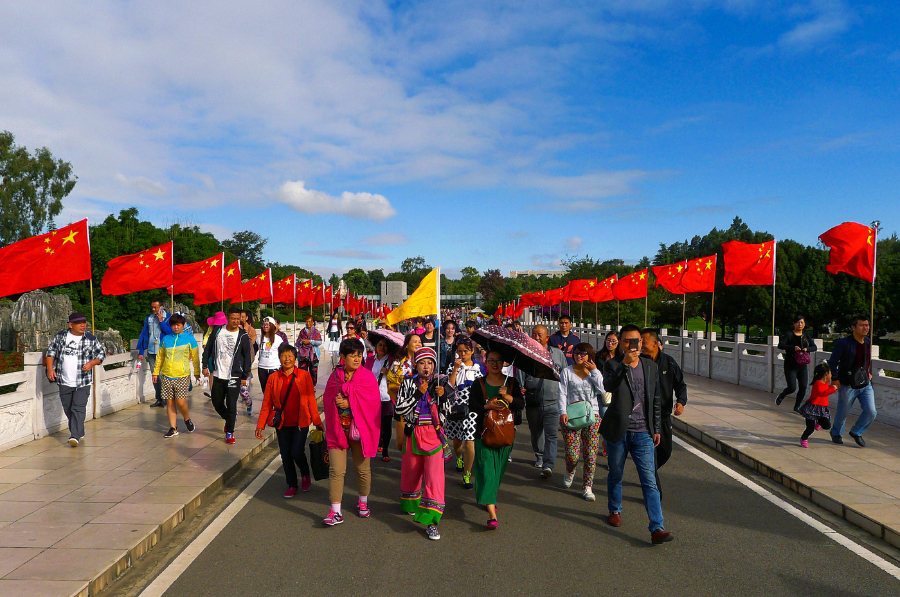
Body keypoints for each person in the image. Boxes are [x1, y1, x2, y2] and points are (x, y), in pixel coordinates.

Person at [601, 324, 671, 544]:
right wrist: (624, 364)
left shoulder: (650, 366)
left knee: (649, 480)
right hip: (619, 430)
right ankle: (614, 509)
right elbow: (609, 386)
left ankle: (657, 527)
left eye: (636, 340)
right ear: (621, 343)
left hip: (643, 432)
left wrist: (656, 428)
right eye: (627, 341)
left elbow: (656, 399)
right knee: (616, 473)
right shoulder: (612, 364)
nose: (632, 345)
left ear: (641, 342)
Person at [395, 347, 454, 541]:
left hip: (434, 436)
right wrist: (417, 394)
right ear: (415, 365)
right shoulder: (407, 382)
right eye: (422, 363)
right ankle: (411, 504)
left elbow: (449, 411)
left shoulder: (442, 382)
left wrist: (443, 396)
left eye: (429, 363)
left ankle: (432, 522)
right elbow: (399, 409)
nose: (426, 366)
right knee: (411, 473)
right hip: (413, 433)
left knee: (434, 480)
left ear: (434, 365)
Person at [321, 339, 382, 526]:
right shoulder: (335, 376)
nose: (357, 359)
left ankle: (363, 501)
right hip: (337, 430)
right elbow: (327, 399)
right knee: (336, 470)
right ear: (343, 357)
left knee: (362, 470)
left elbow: (373, 404)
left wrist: (350, 402)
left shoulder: (367, 377)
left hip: (360, 432)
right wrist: (336, 401)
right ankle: (335, 511)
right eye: (352, 355)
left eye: (359, 355)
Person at [256, 344, 323, 497]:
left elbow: (311, 400)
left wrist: (317, 421)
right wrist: (260, 425)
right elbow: (267, 403)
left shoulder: (304, 376)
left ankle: (305, 473)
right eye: (283, 356)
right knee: (285, 455)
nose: (287, 359)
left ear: (295, 358)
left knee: (296, 452)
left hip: (301, 422)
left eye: (290, 356)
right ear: (279, 358)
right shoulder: (273, 378)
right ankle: (292, 484)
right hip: (282, 423)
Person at [468, 349, 524, 530]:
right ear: (485, 362)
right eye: (491, 360)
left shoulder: (512, 382)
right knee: (487, 470)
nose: (495, 363)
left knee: (498, 471)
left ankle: (488, 496)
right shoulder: (479, 383)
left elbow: (521, 403)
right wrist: (487, 406)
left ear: (504, 363)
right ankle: (492, 514)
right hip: (483, 433)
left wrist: (508, 397)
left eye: (498, 360)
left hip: (505, 434)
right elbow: (472, 405)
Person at [44, 312, 106, 447]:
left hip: (83, 381)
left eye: (84, 322)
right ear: (71, 325)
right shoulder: (61, 336)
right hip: (64, 379)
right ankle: (79, 430)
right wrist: (50, 369)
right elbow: (51, 352)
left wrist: (91, 363)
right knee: (68, 408)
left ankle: (75, 435)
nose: (83, 325)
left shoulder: (91, 339)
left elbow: (101, 354)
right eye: (79, 323)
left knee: (78, 407)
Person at [641, 329, 687, 497]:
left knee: (665, 452)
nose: (640, 344)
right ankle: (654, 492)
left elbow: (680, 385)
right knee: (650, 456)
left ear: (655, 343)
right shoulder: (639, 362)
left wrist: (681, 402)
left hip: (664, 416)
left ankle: (648, 473)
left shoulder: (669, 362)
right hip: (644, 418)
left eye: (643, 341)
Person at [517, 325, 567, 478]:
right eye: (534, 334)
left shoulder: (557, 354)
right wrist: (521, 389)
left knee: (552, 435)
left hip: (554, 401)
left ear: (547, 337)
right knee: (536, 433)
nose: (536, 337)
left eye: (539, 334)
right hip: (534, 401)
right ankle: (540, 456)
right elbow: (520, 377)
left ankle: (548, 465)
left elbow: (565, 375)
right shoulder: (526, 354)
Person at [558, 342, 605, 501]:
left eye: (583, 353)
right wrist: (563, 412)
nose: (579, 355)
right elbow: (562, 393)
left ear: (589, 355)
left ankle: (587, 486)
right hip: (571, 415)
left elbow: (602, 390)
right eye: (576, 353)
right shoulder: (567, 371)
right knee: (572, 455)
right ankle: (570, 470)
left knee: (590, 455)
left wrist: (594, 371)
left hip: (592, 416)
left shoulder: (594, 372)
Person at [202, 307, 253, 444]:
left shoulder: (242, 336)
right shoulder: (218, 331)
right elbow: (208, 348)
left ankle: (230, 431)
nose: (236, 321)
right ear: (227, 318)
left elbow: (247, 357)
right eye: (233, 318)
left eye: (238, 318)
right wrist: (204, 364)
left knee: (231, 404)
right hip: (218, 374)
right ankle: (229, 419)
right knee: (216, 402)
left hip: (234, 375)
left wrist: (245, 376)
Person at [829, 315, 876, 447]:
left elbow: (866, 360)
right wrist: (835, 378)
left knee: (871, 411)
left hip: (864, 383)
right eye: (862, 325)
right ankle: (836, 432)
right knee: (843, 411)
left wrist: (867, 371)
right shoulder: (844, 343)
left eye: (867, 325)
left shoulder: (867, 342)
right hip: (847, 383)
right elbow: (833, 362)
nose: (865, 328)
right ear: (853, 327)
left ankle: (856, 432)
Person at [152, 314, 200, 438]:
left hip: (182, 375)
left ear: (183, 325)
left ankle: (187, 418)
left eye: (178, 325)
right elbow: (160, 357)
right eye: (173, 325)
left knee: (180, 401)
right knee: (169, 402)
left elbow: (195, 357)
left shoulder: (189, 339)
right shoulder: (166, 339)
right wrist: (155, 372)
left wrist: (197, 372)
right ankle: (173, 428)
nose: (176, 327)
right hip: (167, 374)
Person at [447, 337, 486, 489]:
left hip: (472, 409)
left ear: (472, 351)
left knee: (470, 441)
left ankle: (467, 474)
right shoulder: (452, 366)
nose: (463, 354)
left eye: (466, 351)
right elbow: (450, 386)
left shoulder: (479, 368)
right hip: (456, 408)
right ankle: (459, 458)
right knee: (457, 440)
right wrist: (456, 369)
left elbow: (483, 387)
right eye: (460, 351)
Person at [775, 315, 817, 413]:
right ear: (794, 324)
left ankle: (797, 406)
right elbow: (780, 345)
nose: (800, 324)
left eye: (802, 322)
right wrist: (793, 348)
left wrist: (807, 349)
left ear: (804, 324)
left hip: (802, 366)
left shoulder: (806, 336)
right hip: (790, 365)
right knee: (792, 388)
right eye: (798, 322)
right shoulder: (789, 335)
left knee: (803, 387)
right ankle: (782, 395)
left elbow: (814, 347)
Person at [137, 299, 173, 407]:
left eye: (155, 307)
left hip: (164, 351)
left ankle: (166, 397)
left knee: (163, 375)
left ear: (161, 307)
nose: (153, 309)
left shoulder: (169, 318)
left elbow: (171, 333)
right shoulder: (149, 318)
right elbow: (145, 334)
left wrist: (161, 322)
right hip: (152, 350)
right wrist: (141, 351)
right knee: (155, 376)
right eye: (152, 307)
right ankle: (159, 398)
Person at [365, 337, 395, 462]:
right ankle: (376, 443)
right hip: (373, 397)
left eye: (385, 345)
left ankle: (385, 450)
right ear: (376, 347)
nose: (382, 348)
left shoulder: (392, 360)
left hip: (387, 397)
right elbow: (365, 376)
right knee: (374, 424)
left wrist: (388, 372)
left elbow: (398, 376)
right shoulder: (369, 360)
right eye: (380, 345)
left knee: (387, 424)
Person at [800, 363, 836, 448]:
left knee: (827, 425)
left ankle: (819, 422)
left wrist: (833, 387)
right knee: (810, 428)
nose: (831, 376)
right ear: (826, 374)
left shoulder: (826, 383)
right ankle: (804, 439)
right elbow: (822, 393)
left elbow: (827, 390)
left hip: (822, 408)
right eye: (830, 373)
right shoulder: (817, 383)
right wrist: (833, 389)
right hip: (812, 408)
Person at [256, 316, 286, 396]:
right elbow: (252, 352)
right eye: (264, 324)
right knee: (265, 391)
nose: (265, 326)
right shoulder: (259, 339)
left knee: (275, 391)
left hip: (274, 368)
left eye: (268, 325)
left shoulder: (278, 339)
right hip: (262, 368)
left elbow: (283, 353)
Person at [296, 315, 322, 387]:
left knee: (313, 371)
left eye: (310, 321)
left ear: (313, 322)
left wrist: (310, 341)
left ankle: (313, 386)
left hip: (313, 354)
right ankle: (303, 386)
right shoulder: (302, 332)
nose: (308, 323)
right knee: (302, 371)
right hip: (303, 354)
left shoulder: (316, 332)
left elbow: (319, 342)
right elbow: (298, 341)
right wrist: (301, 341)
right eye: (306, 321)